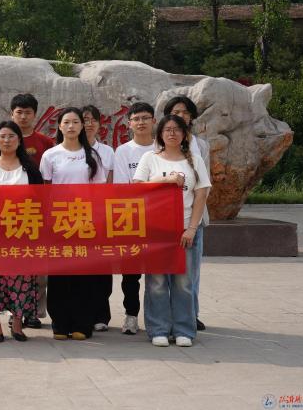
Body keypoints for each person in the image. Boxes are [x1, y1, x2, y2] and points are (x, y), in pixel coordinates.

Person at [134, 114, 211, 347]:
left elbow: (201, 195)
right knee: (156, 282)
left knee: (184, 283)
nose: (172, 133)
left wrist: (192, 229)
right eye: (167, 129)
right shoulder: (150, 158)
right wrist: (165, 180)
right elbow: (137, 188)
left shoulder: (195, 160)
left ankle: (184, 330)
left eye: (177, 129)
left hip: (185, 230)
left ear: (185, 134)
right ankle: (158, 328)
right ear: (160, 134)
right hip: (156, 231)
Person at [0, 121, 43, 343]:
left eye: (11, 136)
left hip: (22, 233)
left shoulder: (30, 168)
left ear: (19, 140)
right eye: (2, 136)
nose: (6, 140)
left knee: (21, 280)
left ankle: (18, 324)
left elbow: (41, 200)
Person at [39, 107, 102, 340]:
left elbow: (99, 191)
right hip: (59, 220)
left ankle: (82, 323)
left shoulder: (92, 155)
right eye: (66, 122)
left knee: (83, 274)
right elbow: (45, 190)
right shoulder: (50, 155)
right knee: (59, 273)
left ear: (82, 126)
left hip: (85, 220)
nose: (71, 126)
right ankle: (60, 323)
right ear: (59, 126)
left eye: (76, 122)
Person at [163, 95, 210, 331]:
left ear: (191, 117)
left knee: (191, 272)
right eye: (175, 112)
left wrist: (194, 220)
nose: (180, 116)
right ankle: (166, 317)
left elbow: (204, 184)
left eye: (185, 112)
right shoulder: (158, 147)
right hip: (163, 220)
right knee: (162, 274)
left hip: (192, 217)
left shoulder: (201, 146)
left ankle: (190, 315)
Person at [9, 93, 54, 329]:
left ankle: (35, 311)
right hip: (11, 213)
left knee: (39, 266)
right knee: (14, 264)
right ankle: (14, 310)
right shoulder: (5, 140)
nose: (23, 117)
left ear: (35, 115)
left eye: (28, 112)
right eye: (19, 112)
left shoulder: (45, 143)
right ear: (12, 114)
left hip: (39, 213)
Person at [112, 102, 156, 335]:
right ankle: (131, 315)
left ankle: (158, 317)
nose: (141, 122)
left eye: (145, 118)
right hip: (133, 219)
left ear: (154, 121)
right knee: (131, 274)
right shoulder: (123, 151)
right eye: (136, 119)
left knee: (159, 273)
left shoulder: (163, 148)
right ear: (129, 124)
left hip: (160, 219)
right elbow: (122, 187)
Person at [81, 105, 114, 332]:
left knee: (101, 266)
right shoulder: (67, 150)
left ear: (100, 124)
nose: (89, 123)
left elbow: (111, 183)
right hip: (74, 215)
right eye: (84, 119)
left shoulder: (108, 151)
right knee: (79, 265)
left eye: (93, 119)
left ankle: (101, 314)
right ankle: (80, 312)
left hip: (101, 215)